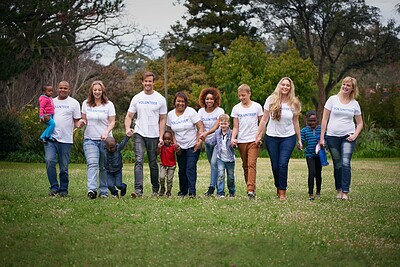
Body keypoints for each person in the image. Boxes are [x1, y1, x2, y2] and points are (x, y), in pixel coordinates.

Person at [256, 77, 302, 200]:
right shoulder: (271, 100)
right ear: (279, 86)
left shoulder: (294, 103)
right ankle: (278, 186)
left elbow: (296, 122)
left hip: (288, 137)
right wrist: (258, 135)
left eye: (288, 85)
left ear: (290, 88)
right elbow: (264, 119)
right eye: (283, 85)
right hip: (272, 137)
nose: (285, 87)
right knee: (275, 166)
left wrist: (299, 139)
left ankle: (282, 191)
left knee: (283, 164)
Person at [319, 76, 363, 201]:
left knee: (345, 163)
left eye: (348, 85)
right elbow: (324, 119)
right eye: (344, 84)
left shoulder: (355, 104)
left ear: (352, 88)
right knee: (337, 164)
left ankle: (345, 191)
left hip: (347, 136)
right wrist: (322, 138)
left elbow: (360, 123)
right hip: (332, 136)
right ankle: (338, 189)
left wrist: (355, 135)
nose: (345, 87)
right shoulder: (332, 100)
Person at [125, 71, 167, 198]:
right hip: (139, 133)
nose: (148, 83)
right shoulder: (137, 98)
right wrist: (127, 127)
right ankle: (138, 190)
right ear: (142, 82)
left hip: (154, 135)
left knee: (153, 162)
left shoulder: (160, 99)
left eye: (150, 81)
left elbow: (163, 119)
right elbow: (129, 115)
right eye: (146, 81)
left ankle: (155, 189)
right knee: (138, 160)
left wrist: (161, 136)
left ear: (154, 82)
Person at [79, 80, 116, 199]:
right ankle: (92, 190)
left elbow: (112, 122)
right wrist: (81, 122)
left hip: (106, 141)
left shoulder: (109, 105)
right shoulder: (86, 104)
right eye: (95, 90)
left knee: (104, 166)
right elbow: (84, 119)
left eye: (99, 90)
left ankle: (104, 191)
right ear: (92, 91)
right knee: (92, 163)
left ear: (103, 91)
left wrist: (106, 132)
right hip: (90, 139)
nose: (97, 92)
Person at [44, 81, 81, 197]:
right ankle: (54, 187)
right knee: (50, 161)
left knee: (64, 167)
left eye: (65, 88)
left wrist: (80, 124)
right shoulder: (51, 102)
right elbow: (45, 119)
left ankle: (63, 189)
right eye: (60, 88)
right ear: (57, 89)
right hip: (51, 138)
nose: (63, 90)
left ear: (69, 90)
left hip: (66, 140)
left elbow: (76, 122)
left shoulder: (74, 103)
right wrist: (43, 119)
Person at [167, 92, 204, 198]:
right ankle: (183, 192)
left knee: (190, 168)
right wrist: (174, 143)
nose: (180, 103)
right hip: (179, 147)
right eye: (178, 101)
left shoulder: (191, 112)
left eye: (183, 101)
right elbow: (170, 132)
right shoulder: (170, 115)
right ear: (175, 102)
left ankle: (192, 192)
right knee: (182, 170)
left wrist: (199, 142)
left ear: (186, 103)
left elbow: (200, 127)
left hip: (192, 145)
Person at [231, 84, 263, 199]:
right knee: (245, 166)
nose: (241, 98)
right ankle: (251, 188)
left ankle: (250, 189)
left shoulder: (257, 107)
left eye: (243, 95)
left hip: (253, 140)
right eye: (239, 96)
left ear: (249, 94)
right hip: (241, 141)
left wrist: (259, 136)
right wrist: (233, 138)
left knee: (251, 164)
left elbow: (262, 123)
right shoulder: (236, 108)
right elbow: (235, 126)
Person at [197, 87, 225, 197]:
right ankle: (219, 188)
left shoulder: (220, 111)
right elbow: (200, 126)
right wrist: (201, 138)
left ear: (215, 100)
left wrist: (206, 133)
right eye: (207, 99)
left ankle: (212, 187)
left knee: (214, 163)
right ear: (203, 99)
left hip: (217, 141)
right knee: (213, 165)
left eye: (211, 99)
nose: (209, 101)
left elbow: (216, 126)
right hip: (207, 141)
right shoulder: (200, 111)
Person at [301, 110, 323, 200]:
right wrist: (300, 145)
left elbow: (325, 138)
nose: (312, 123)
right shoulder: (304, 131)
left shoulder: (321, 129)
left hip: (319, 155)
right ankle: (310, 193)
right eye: (310, 121)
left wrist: (323, 143)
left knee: (318, 173)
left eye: (314, 120)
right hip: (309, 155)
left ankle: (318, 191)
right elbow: (301, 141)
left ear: (317, 120)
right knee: (312, 172)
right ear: (307, 121)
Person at [104, 129, 134, 198]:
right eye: (110, 148)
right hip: (109, 171)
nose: (112, 149)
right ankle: (115, 193)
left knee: (119, 185)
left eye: (113, 147)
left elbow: (123, 143)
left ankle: (124, 187)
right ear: (106, 146)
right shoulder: (104, 149)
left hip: (117, 170)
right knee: (109, 185)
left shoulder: (118, 148)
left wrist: (128, 136)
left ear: (116, 144)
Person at [214, 114, 236, 198]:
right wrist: (204, 138)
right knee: (220, 175)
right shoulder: (217, 133)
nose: (223, 125)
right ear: (219, 124)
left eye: (225, 123)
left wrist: (234, 145)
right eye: (221, 124)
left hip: (230, 159)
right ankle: (220, 192)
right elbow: (212, 141)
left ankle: (232, 191)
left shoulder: (231, 133)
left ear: (228, 124)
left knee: (230, 177)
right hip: (220, 158)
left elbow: (234, 144)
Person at [157, 130, 181, 197]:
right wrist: (159, 148)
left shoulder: (173, 146)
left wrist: (178, 149)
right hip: (163, 165)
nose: (167, 141)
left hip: (171, 165)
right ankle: (162, 188)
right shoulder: (162, 146)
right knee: (161, 177)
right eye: (165, 139)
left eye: (168, 139)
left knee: (169, 179)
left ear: (171, 140)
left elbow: (178, 153)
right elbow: (157, 153)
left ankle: (169, 191)